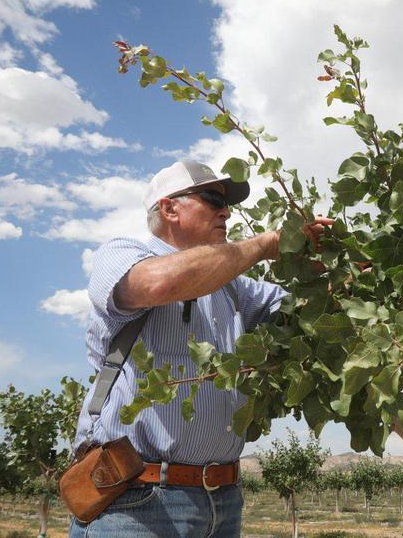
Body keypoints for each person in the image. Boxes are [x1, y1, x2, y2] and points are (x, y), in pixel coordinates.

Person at [70, 159, 330, 538]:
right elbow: (157, 284)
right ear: (169, 207)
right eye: (212, 198)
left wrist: (339, 268)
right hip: (136, 501)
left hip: (222, 501)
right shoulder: (123, 253)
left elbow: (305, 314)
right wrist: (263, 245)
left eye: (227, 204)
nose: (226, 211)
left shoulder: (234, 287)